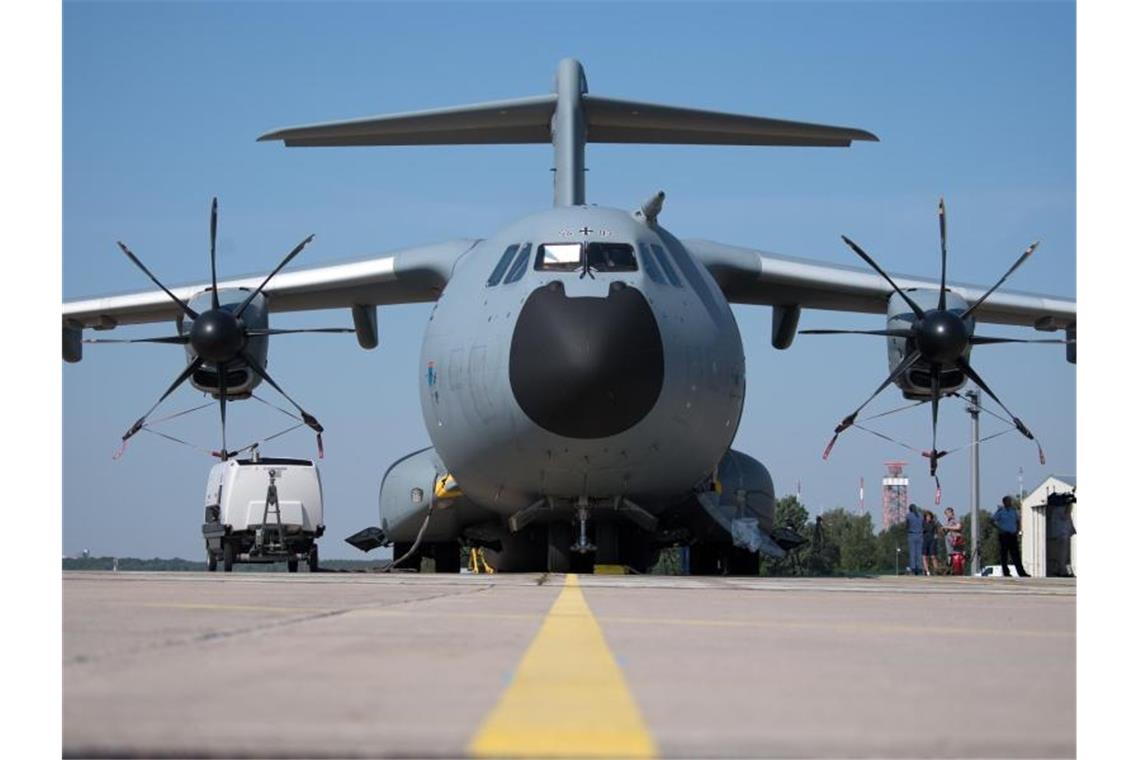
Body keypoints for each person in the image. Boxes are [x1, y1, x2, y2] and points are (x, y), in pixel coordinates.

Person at [993, 495, 1030, 577]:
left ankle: (1021, 572)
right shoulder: (1000, 511)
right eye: (1008, 501)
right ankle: (1006, 572)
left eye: (1010, 501)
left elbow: (1017, 520)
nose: (1010, 502)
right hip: (1004, 535)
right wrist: (999, 529)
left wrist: (1017, 530)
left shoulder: (1014, 511)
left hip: (1012, 535)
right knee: (1004, 554)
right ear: (1004, 502)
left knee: (1016, 554)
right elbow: (993, 520)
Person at [943, 507, 965, 575]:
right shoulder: (949, 521)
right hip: (950, 541)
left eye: (947, 513)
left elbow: (958, 527)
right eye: (946, 514)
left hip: (956, 541)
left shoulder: (955, 519)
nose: (946, 515)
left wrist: (947, 527)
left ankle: (957, 570)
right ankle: (952, 569)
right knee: (951, 555)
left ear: (951, 512)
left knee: (957, 555)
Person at [906, 504, 924, 575]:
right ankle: (919, 568)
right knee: (919, 552)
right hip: (920, 534)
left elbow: (907, 525)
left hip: (912, 534)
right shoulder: (920, 515)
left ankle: (913, 568)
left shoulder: (909, 515)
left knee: (912, 552)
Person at [922, 510, 941, 575]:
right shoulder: (922, 523)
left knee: (933, 556)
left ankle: (937, 570)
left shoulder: (933, 523)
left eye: (929, 516)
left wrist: (936, 536)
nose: (928, 518)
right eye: (927, 516)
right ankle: (927, 571)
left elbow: (937, 531)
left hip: (932, 541)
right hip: (925, 540)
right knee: (924, 556)